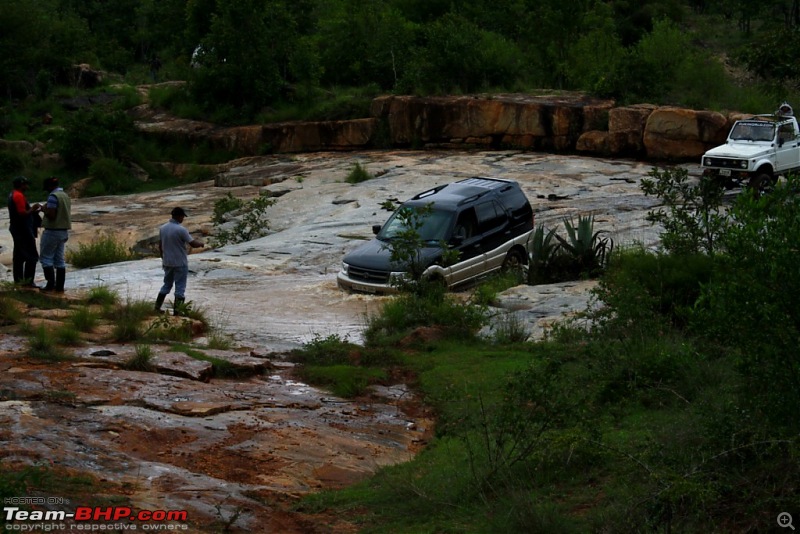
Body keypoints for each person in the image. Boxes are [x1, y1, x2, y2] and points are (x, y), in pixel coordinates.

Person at [154, 207, 205, 315]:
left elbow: (160, 246)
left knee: (166, 285)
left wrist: (163, 259)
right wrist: (201, 243)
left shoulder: (163, 228)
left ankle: (157, 308)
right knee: (180, 288)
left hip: (167, 262)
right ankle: (177, 313)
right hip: (180, 263)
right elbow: (192, 243)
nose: (183, 219)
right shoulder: (181, 230)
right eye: (182, 216)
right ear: (178, 216)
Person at [7, 176, 42, 287]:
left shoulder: (12, 194)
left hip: (16, 229)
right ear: (21, 185)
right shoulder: (18, 196)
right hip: (23, 230)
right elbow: (22, 213)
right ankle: (28, 282)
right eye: (25, 184)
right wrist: (33, 209)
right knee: (32, 256)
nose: (27, 186)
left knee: (18, 257)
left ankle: (18, 282)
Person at [39, 176, 71, 293]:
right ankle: (59, 287)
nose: (46, 190)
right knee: (59, 260)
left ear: (50, 186)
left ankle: (50, 285)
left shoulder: (53, 196)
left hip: (52, 230)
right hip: (63, 231)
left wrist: (43, 209)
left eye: (46, 187)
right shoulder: (65, 195)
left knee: (46, 258)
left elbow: (52, 215)